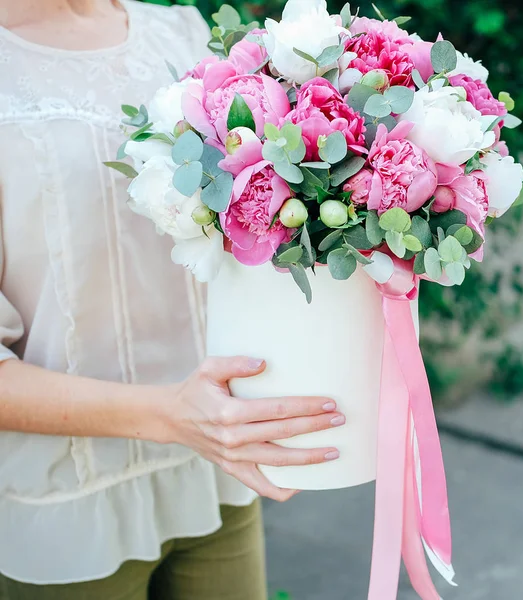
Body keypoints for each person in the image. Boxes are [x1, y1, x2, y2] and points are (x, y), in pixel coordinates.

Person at [0, 1, 345, 598]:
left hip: (218, 472)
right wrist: (174, 417)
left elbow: (254, 241)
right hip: (66, 503)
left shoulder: (182, 32)